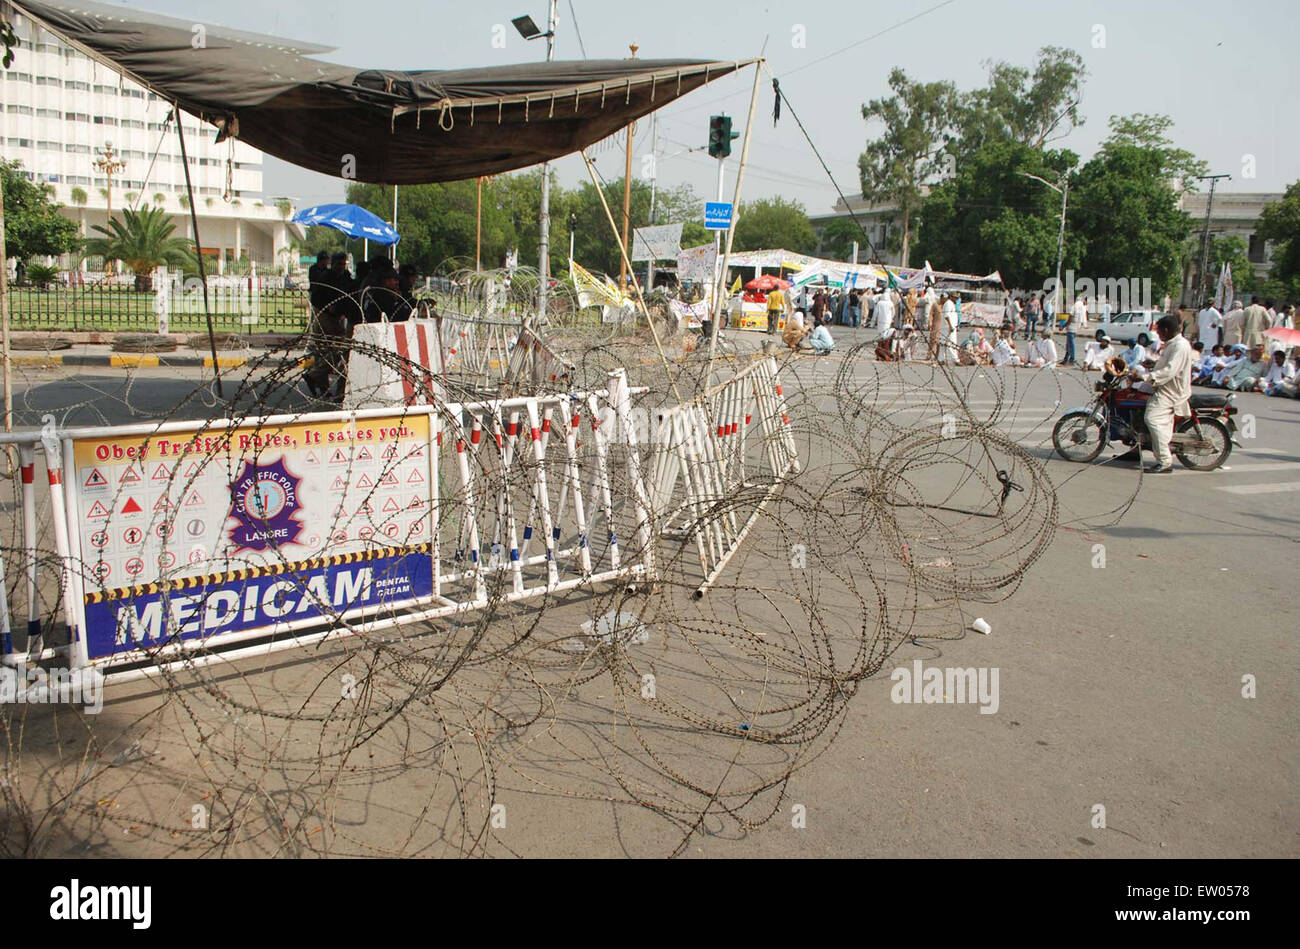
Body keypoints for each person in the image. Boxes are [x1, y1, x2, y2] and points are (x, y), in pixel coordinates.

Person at [1136, 313, 1193, 475]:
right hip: (1164, 387)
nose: (1159, 335)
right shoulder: (1172, 344)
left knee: (1152, 419)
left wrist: (1147, 376)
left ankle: (1165, 461)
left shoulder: (1180, 346)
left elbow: (1170, 371)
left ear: (1166, 330)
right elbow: (1166, 365)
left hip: (1171, 391)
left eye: (1160, 332)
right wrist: (1153, 365)